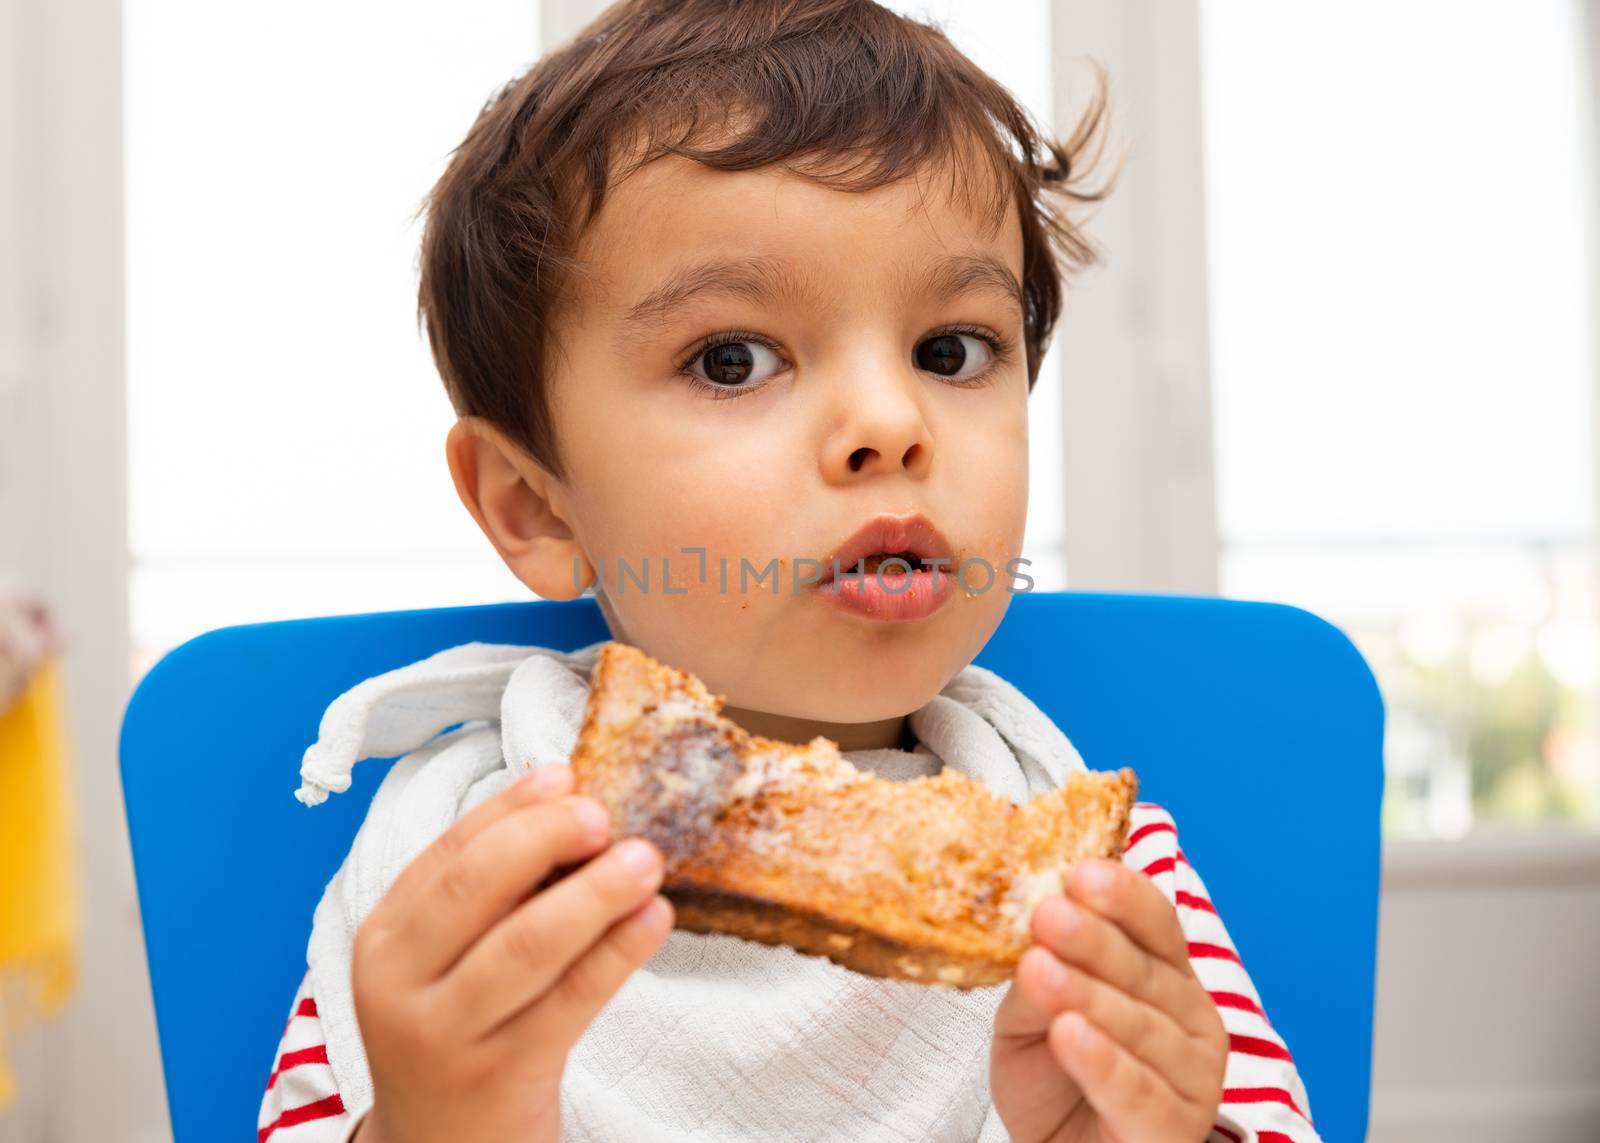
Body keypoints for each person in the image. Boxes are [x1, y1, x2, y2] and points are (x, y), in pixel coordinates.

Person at [256, 1, 1320, 1139]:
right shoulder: (455, 888)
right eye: (733, 359)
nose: (888, 421)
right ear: (534, 503)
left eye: (951, 351)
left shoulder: (1109, 886)